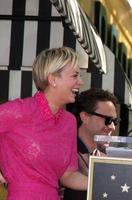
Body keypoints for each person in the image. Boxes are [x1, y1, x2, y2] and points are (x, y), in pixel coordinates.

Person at [0, 47, 88, 200]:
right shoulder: (18, 111)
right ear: (52, 79)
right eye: (75, 75)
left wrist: (103, 182)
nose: (81, 82)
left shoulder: (69, 122)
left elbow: (68, 175)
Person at [63, 88, 119, 200]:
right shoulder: (63, 153)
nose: (112, 127)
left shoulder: (108, 160)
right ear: (85, 117)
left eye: (115, 121)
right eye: (108, 120)